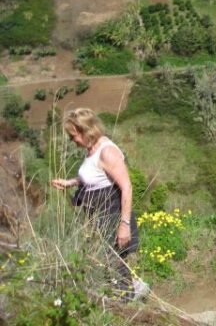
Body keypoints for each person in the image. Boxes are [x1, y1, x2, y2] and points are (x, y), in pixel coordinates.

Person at [51, 108, 144, 300]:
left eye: (73, 136)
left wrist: (124, 225)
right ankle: (127, 295)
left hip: (112, 217)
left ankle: (126, 302)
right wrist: (70, 182)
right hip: (101, 219)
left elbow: (127, 187)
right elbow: (94, 175)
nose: (73, 141)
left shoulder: (107, 152)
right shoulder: (92, 149)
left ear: (86, 130)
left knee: (115, 263)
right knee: (110, 263)